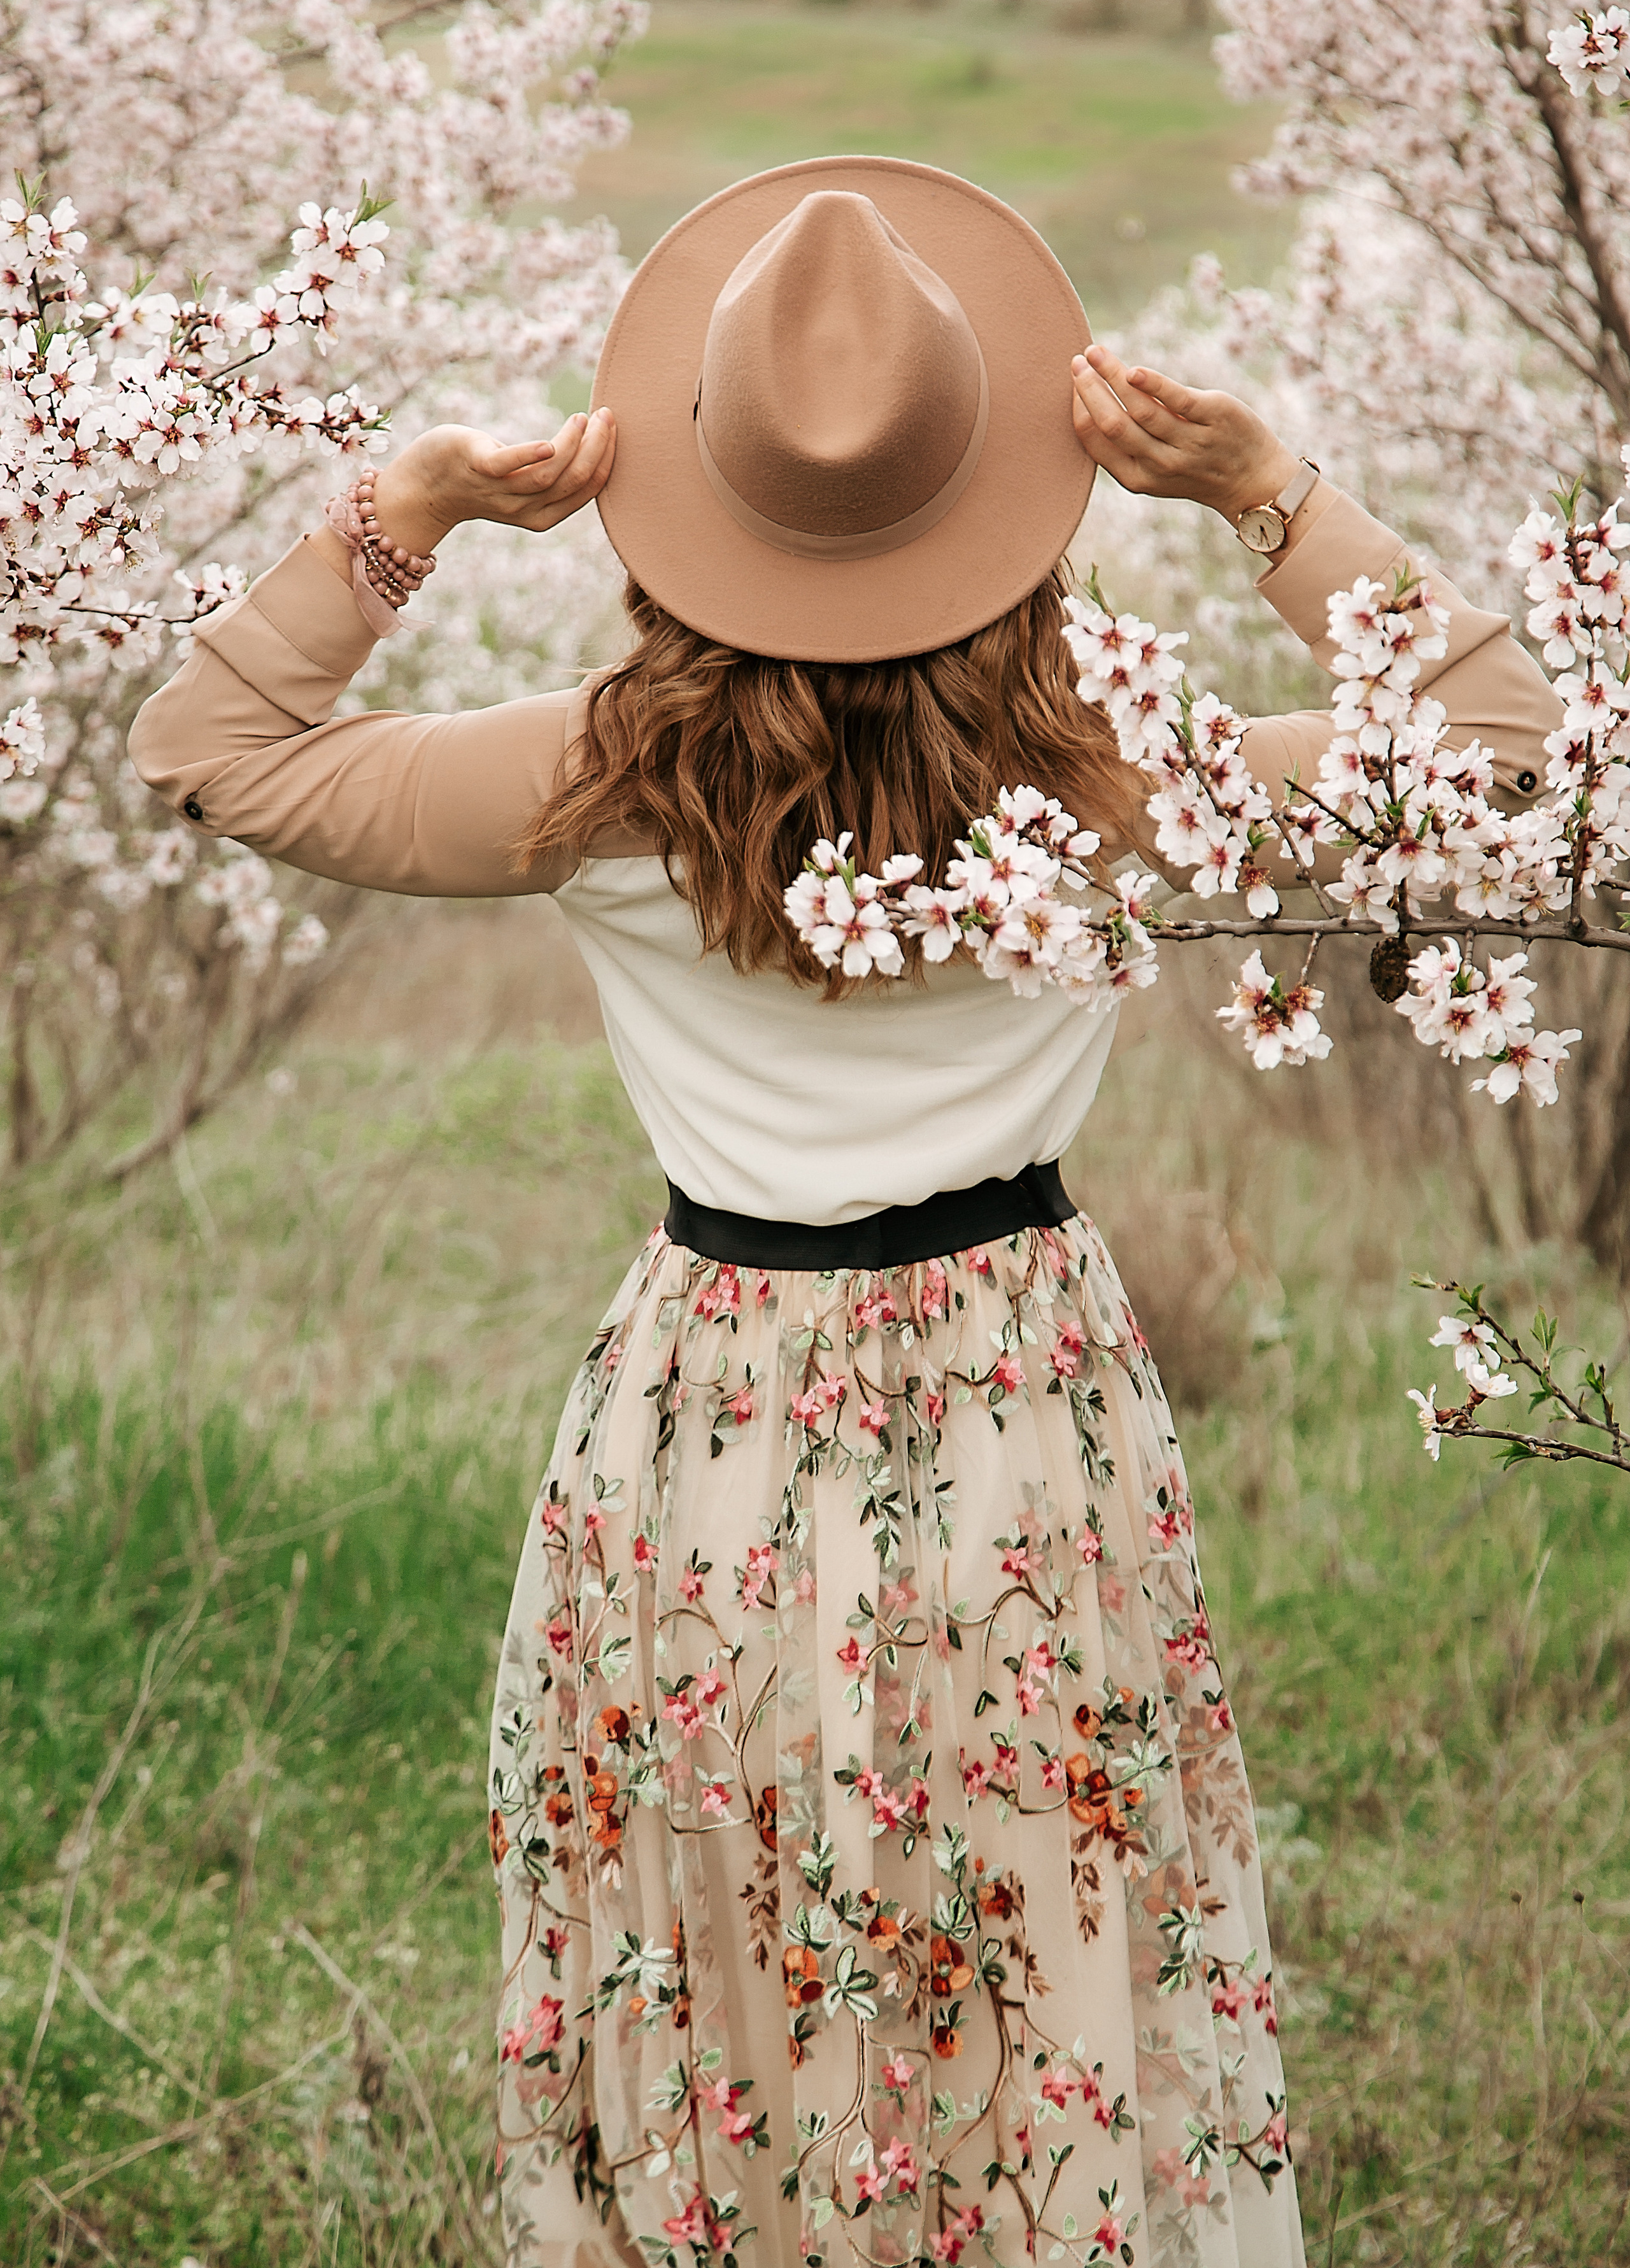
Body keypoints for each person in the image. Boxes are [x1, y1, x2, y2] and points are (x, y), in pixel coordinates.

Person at [130, 158, 1554, 2268]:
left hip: (700, 1423)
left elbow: (210, 748)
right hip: (1018, 1408)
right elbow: (1515, 754)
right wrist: (1268, 489)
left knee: (719, 1925)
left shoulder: (597, 787)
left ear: (691, 500)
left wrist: (410, 511)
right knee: (1028, 1920)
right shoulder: (1116, 788)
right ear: (1000, 496)